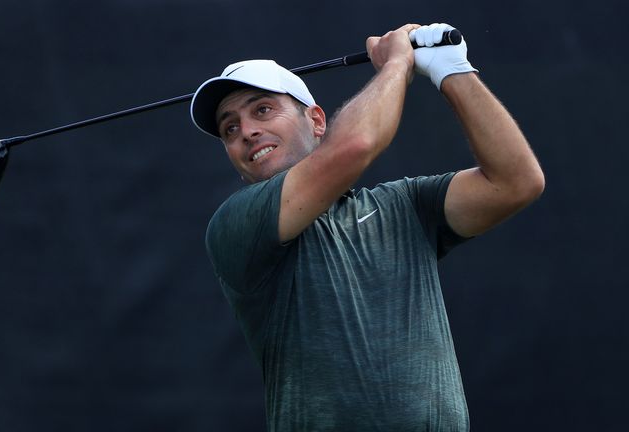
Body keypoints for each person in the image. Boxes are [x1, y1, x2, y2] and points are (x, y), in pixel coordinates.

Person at [190, 23, 544, 432]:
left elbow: (515, 182)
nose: (247, 132)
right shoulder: (237, 224)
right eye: (229, 128)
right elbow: (354, 146)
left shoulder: (404, 204)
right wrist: (397, 64)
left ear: (316, 121)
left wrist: (452, 70)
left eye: (262, 110)